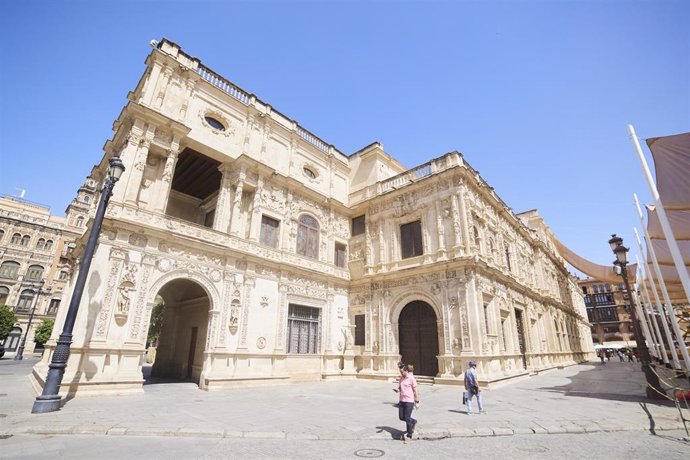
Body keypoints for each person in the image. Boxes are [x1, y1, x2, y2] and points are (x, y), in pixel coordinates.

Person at [396, 363, 419, 443]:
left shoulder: (411, 378)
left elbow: (415, 390)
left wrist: (417, 401)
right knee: (401, 417)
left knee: (407, 417)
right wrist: (398, 390)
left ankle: (409, 435)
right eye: (400, 372)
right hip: (402, 400)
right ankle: (414, 421)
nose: (401, 373)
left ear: (406, 371)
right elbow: (400, 387)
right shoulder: (401, 378)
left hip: (409, 401)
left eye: (402, 372)